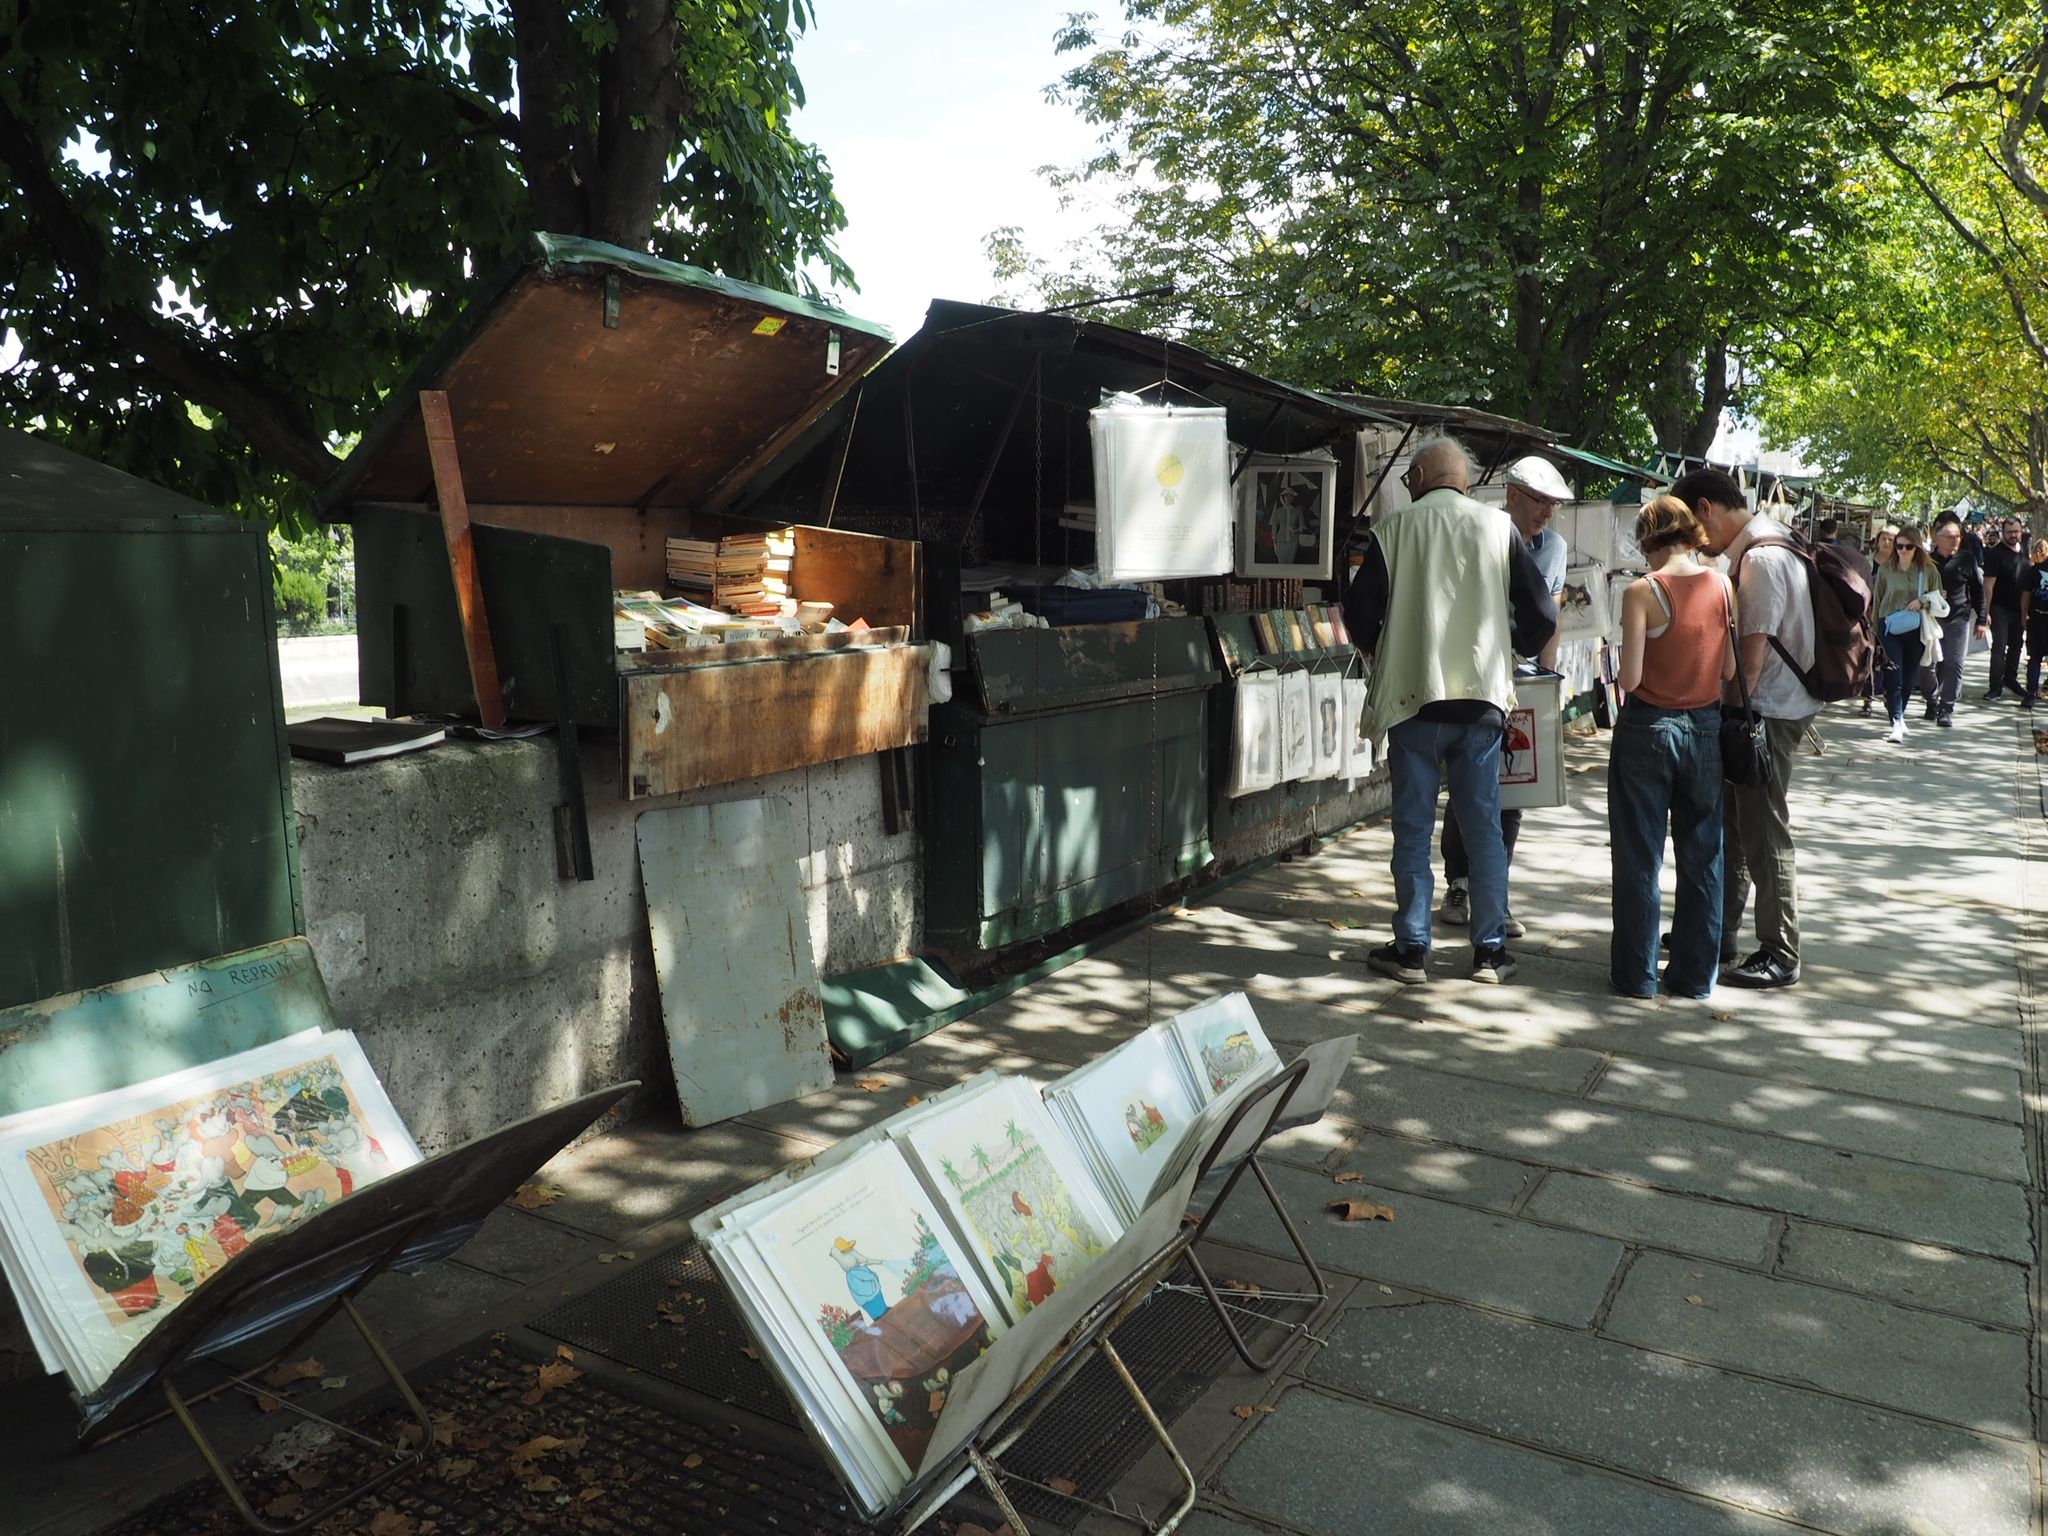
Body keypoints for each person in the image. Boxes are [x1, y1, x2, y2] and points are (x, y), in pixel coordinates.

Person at [1345, 433, 1556, 986]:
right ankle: (1489, 953)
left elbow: (1359, 614)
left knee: (1412, 830)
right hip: (1481, 705)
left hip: (1414, 702)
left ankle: (1412, 949)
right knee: (1484, 830)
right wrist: (1513, 647)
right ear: (1464, 481)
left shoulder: (1393, 530)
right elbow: (1542, 614)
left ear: (1417, 479)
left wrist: (1386, 647)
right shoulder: (1498, 528)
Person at [1673, 466, 1817, 989]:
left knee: (1763, 831)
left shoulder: (1760, 558)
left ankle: (1780, 951)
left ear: (1706, 509)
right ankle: (1720, 932)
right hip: (1771, 707)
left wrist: (1728, 720)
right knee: (1736, 826)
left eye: (1691, 527)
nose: (1694, 542)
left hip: (1767, 711)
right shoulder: (1772, 542)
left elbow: (1749, 661)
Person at [1437, 452, 1572, 936]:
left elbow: (1551, 614)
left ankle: (1494, 892)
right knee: (1469, 783)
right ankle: (1458, 882)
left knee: (1513, 791)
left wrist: (1547, 682)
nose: (1547, 512)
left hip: (1523, 680)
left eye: (1553, 504)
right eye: (1540, 501)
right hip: (1476, 676)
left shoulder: (1554, 547)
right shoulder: (1480, 530)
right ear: (1512, 495)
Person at [1609, 496, 1736, 999]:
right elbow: (1729, 669)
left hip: (1647, 727)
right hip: (1705, 727)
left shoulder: (1643, 592)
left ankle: (1636, 975)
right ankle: (1695, 977)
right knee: (1703, 855)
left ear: (1649, 537)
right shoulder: (1722, 585)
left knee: (1639, 855)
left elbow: (1630, 679)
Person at [1870, 522, 1939, 745]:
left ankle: (1900, 715)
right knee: (1894, 675)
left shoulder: (1928, 570)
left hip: (1917, 628)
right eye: (1899, 546)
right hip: (1890, 626)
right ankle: (1896, 722)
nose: (1902, 550)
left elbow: (1938, 598)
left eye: (1908, 547)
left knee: (1909, 678)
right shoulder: (1885, 570)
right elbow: (1878, 600)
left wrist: (1922, 601)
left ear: (1917, 547)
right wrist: (1874, 631)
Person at [1916, 514, 1985, 726]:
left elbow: (1978, 590)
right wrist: (1931, 595)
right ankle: (1932, 700)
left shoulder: (1967, 559)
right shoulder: (1927, 561)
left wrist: (1982, 619)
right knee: (1928, 664)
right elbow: (1915, 589)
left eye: (1957, 536)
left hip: (1959, 618)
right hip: (1931, 619)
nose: (1955, 540)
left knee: (1954, 663)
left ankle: (1946, 707)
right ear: (1937, 538)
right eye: (1949, 536)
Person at [1982, 515, 2029, 701]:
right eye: (2009, 532)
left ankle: (2011, 679)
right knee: (1999, 647)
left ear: (2021, 531)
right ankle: (1995, 686)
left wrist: (2025, 612)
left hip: (2019, 608)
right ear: (2003, 532)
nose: (2013, 535)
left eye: (2016, 531)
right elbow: (1988, 585)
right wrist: (1985, 612)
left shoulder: (2024, 550)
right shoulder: (1995, 554)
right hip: (1999, 608)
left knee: (2016, 646)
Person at [1860, 526, 1897, 716]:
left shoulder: (1900, 564)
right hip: (1868, 617)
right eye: (1884, 538)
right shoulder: (1867, 562)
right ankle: (1867, 700)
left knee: (1890, 659)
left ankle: (1889, 697)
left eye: (1891, 539)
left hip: (1892, 617)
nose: (1887, 542)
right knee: (1869, 657)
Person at [2022, 537, 2048, 707]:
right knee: (2035, 658)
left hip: (2037, 617)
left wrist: (2024, 614)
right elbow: (2026, 593)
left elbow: (2026, 595)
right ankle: (2032, 693)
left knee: (2035, 658)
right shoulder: (2034, 571)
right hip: (2038, 618)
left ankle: (2031, 694)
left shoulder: (2033, 570)